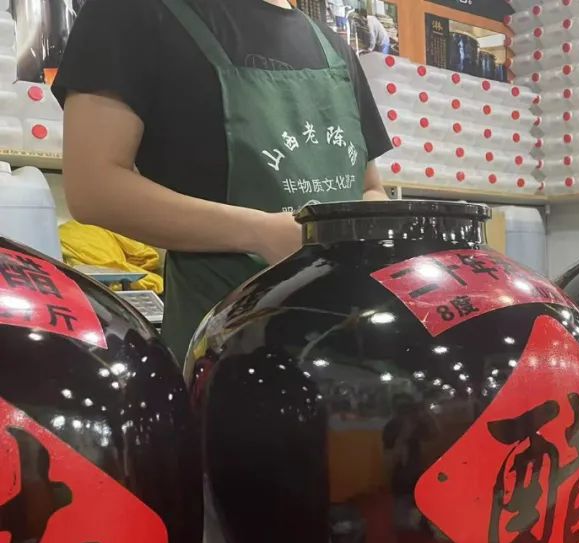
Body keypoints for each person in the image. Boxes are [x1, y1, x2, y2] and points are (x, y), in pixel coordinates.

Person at [53, 0, 393, 360]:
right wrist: (260, 233)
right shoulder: (132, 12)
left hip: (346, 341)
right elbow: (94, 187)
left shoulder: (335, 50)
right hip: (226, 343)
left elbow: (370, 188)